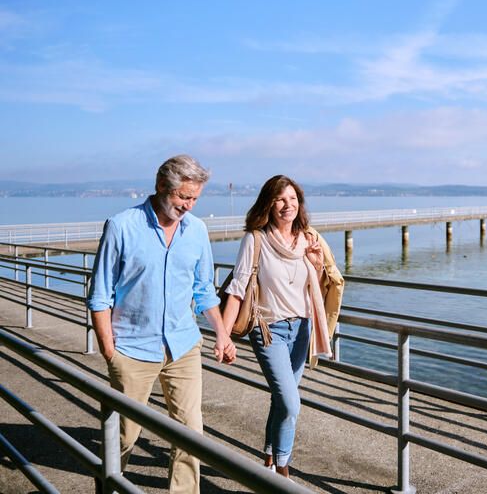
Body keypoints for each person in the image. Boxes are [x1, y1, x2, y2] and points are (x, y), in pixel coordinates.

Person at [87, 154, 236, 494]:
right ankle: (107, 487)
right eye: (184, 197)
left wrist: (223, 334)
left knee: (190, 434)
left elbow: (204, 292)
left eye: (195, 198)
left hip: (183, 346)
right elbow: (99, 296)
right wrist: (111, 353)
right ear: (160, 187)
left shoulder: (196, 230)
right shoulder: (122, 226)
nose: (189, 205)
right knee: (124, 434)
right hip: (132, 350)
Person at [222, 174, 343, 480]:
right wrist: (223, 337)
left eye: (292, 199)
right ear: (268, 203)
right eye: (280, 199)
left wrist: (315, 265)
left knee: (281, 399)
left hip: (301, 330)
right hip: (268, 330)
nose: (287, 205)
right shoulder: (255, 239)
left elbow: (312, 289)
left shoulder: (307, 239)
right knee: (291, 403)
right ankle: (283, 473)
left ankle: (268, 456)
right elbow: (237, 290)